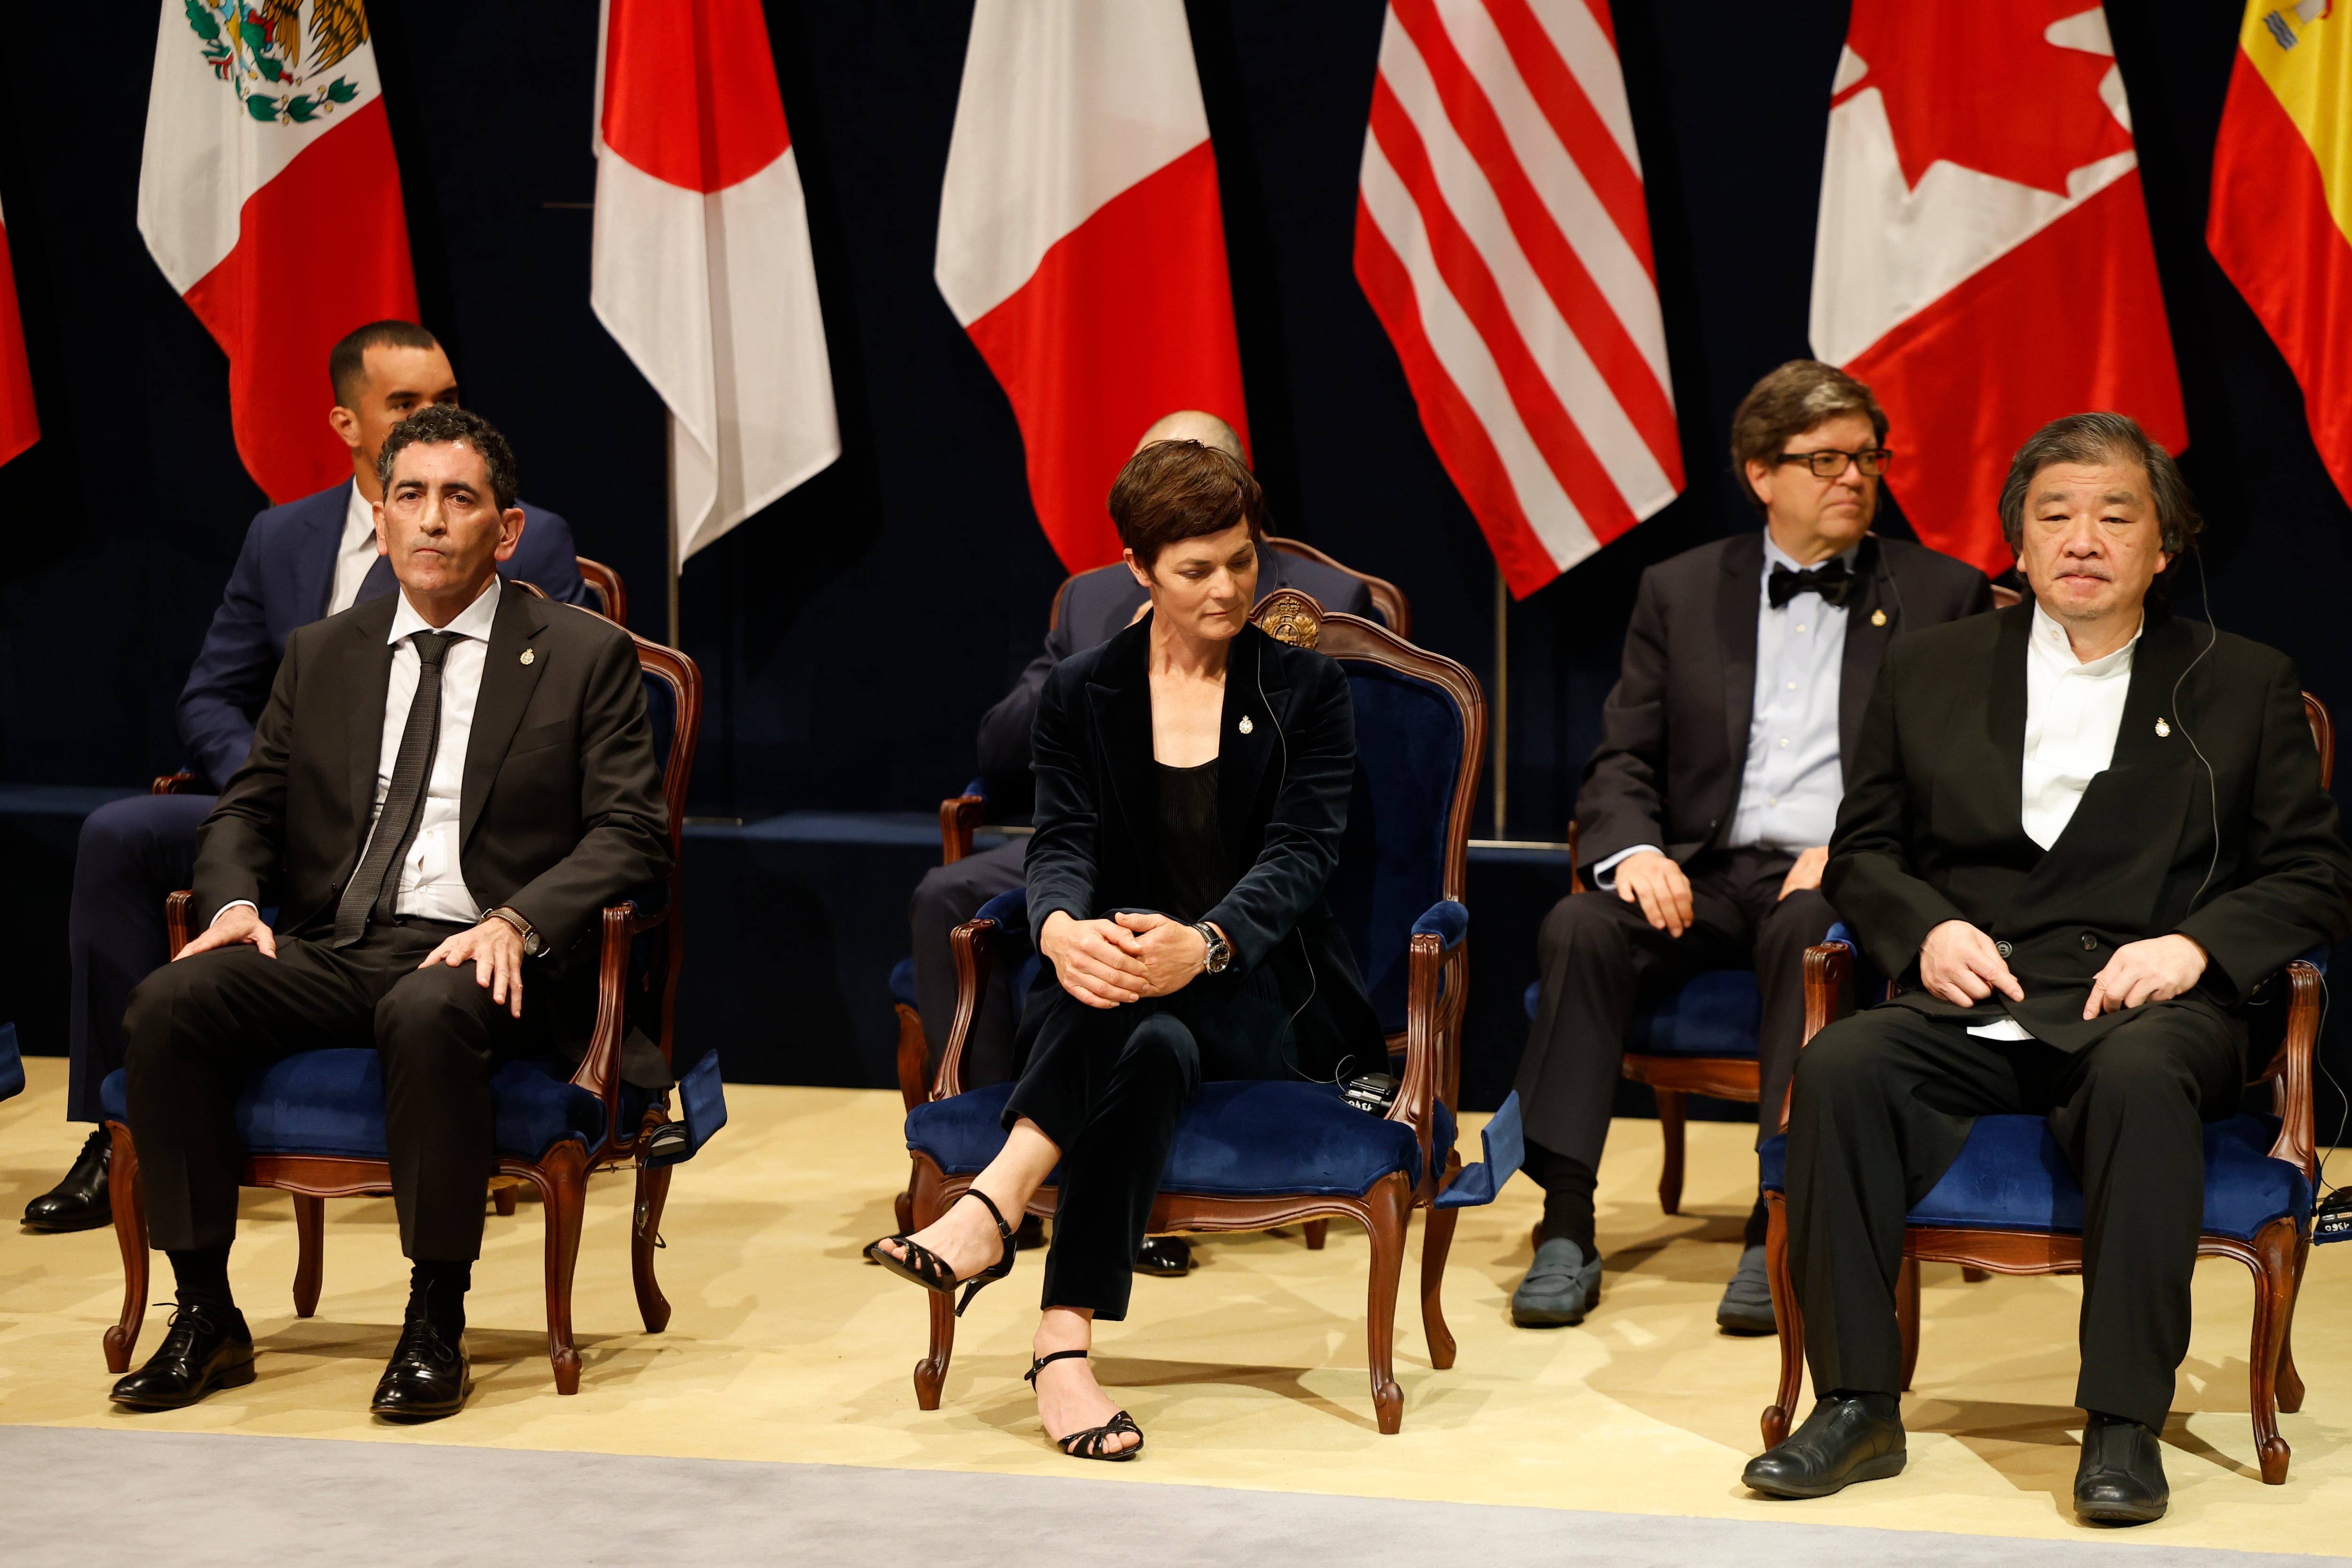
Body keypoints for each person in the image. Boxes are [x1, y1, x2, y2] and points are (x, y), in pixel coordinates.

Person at [1742, 414, 2352, 1522]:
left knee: (2138, 1075)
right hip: (1976, 996)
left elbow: (2313, 874)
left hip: (2147, 1006)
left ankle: (2123, 1423)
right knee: (1841, 1068)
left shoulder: (2240, 680)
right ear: (2015, 544)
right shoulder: (1929, 668)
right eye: (2054, 514)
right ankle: (1856, 1403)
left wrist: (2194, 946)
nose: (2083, 537)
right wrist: (1924, 927)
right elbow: (1867, 847)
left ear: (2163, 546)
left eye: (2116, 514)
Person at [106, 406, 669, 1421]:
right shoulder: (326, 651)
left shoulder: (583, 656)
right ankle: (204, 1313)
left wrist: (516, 920)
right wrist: (234, 901)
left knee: (424, 1006)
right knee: (171, 999)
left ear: (506, 529)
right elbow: (247, 807)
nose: (431, 520)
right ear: (380, 512)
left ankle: (433, 1318)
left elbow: (630, 832)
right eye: (409, 496)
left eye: (460, 498)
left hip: (487, 959)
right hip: (334, 941)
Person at [867, 439, 1384, 1459]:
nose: (1228, 588)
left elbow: (1301, 855)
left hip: (1258, 987)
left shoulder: (1305, 690)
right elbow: (1060, 843)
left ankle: (991, 1206)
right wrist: (1058, 927)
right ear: (1138, 568)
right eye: (1197, 569)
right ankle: (1064, 1346)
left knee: (1140, 1015)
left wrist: (1205, 940)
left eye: (1241, 560)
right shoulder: (1084, 692)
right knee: (1144, 1038)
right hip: (1113, 982)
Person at [24, 322, 592, 1235]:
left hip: (431, 814)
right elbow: (212, 691)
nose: (434, 415)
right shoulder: (281, 536)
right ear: (346, 422)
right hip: (284, 790)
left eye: (445, 395)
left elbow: (536, 712)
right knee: (122, 835)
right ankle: (113, 1123)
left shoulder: (531, 539)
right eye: (405, 405)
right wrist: (275, 783)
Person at [1509, 362, 1992, 1333]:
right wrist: (1634, 852)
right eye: (1825, 460)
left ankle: (1772, 1219)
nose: (1853, 477)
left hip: (1828, 877)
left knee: (1811, 926)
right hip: (1695, 871)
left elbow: (1959, 777)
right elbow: (1622, 758)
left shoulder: (1943, 593)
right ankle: (1564, 1219)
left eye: (1866, 458)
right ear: (1759, 472)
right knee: (1577, 924)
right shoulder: (1680, 590)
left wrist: (1854, 847)